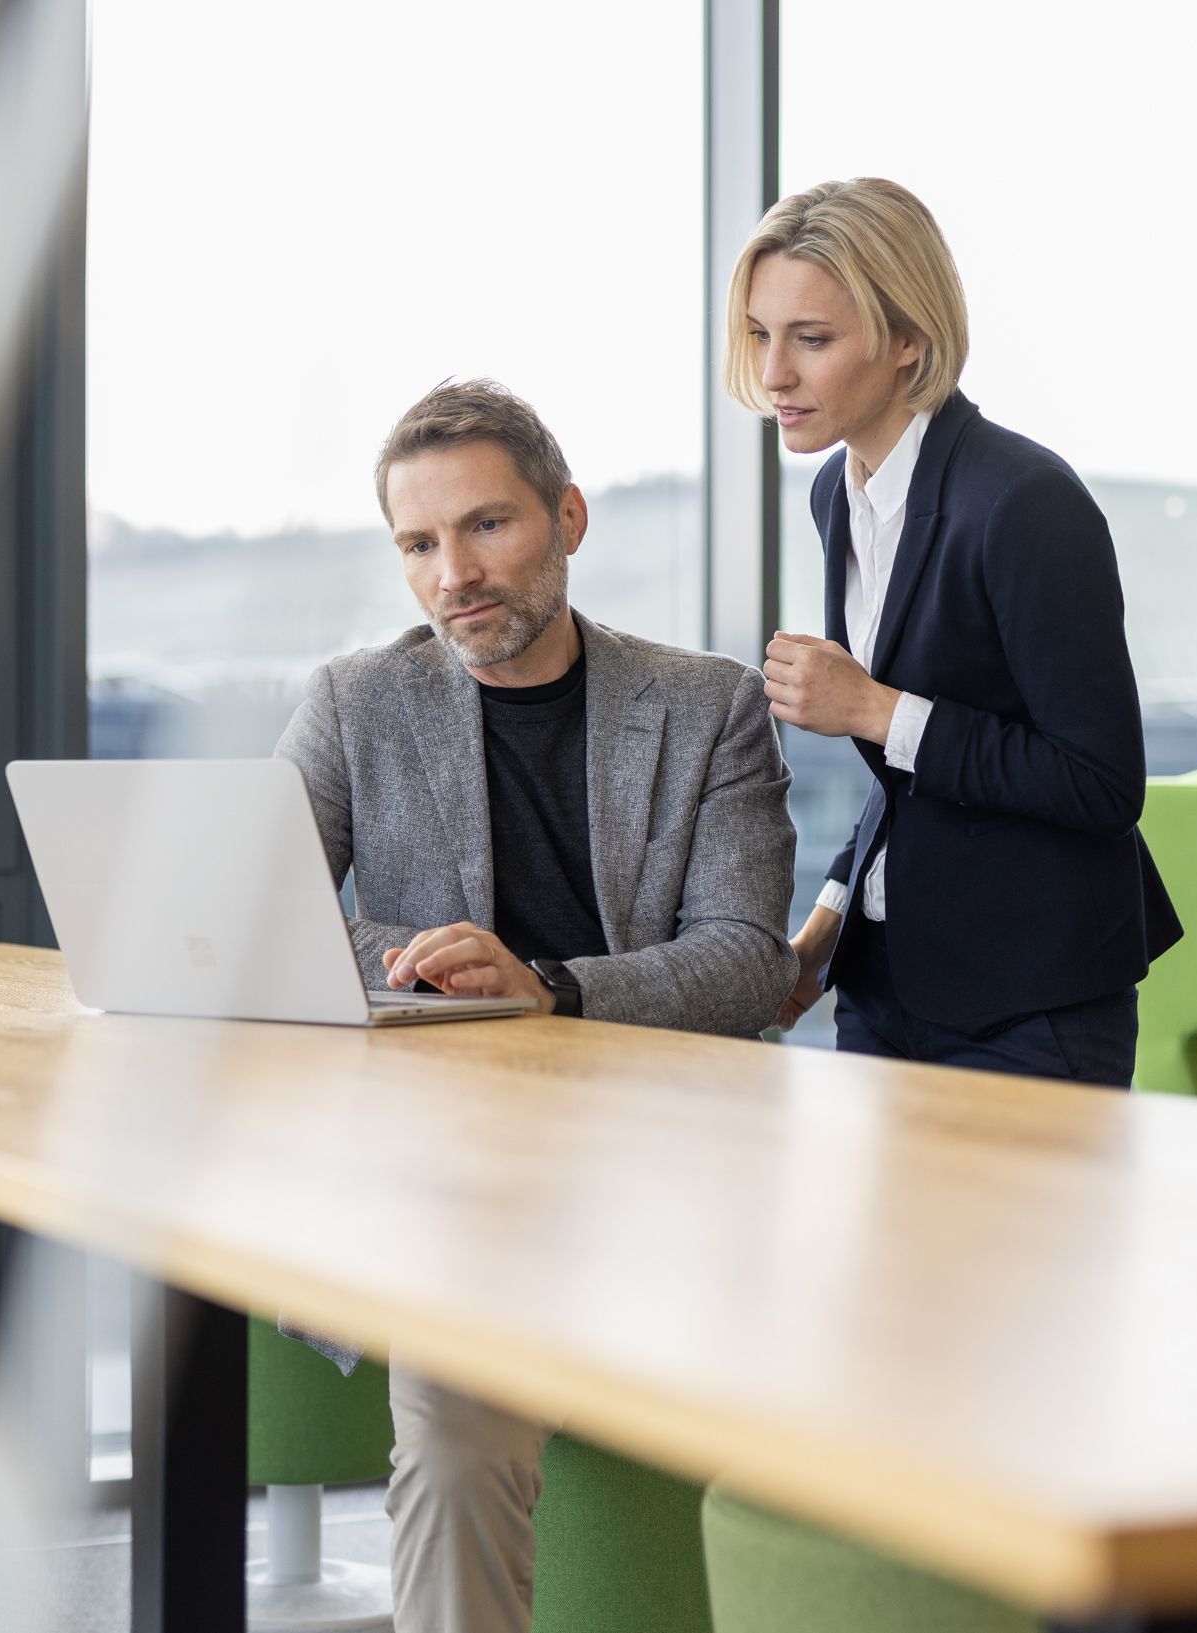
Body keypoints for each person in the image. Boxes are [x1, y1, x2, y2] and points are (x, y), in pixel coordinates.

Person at [273, 377, 795, 1633]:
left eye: (486, 525)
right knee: (456, 1441)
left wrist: (547, 988)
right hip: (453, 1177)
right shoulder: (356, 700)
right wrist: (433, 964)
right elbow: (262, 913)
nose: (452, 573)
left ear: (567, 517)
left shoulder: (707, 705)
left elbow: (748, 962)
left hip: (663, 1152)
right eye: (417, 543)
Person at [733, 178, 1181, 1083]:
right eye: (759, 334)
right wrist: (829, 917)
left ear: (907, 339)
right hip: (884, 980)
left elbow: (1100, 782)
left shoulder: (1024, 502)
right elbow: (911, 773)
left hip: (1029, 997)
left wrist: (871, 706)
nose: (774, 373)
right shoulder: (837, 495)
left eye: (811, 339)